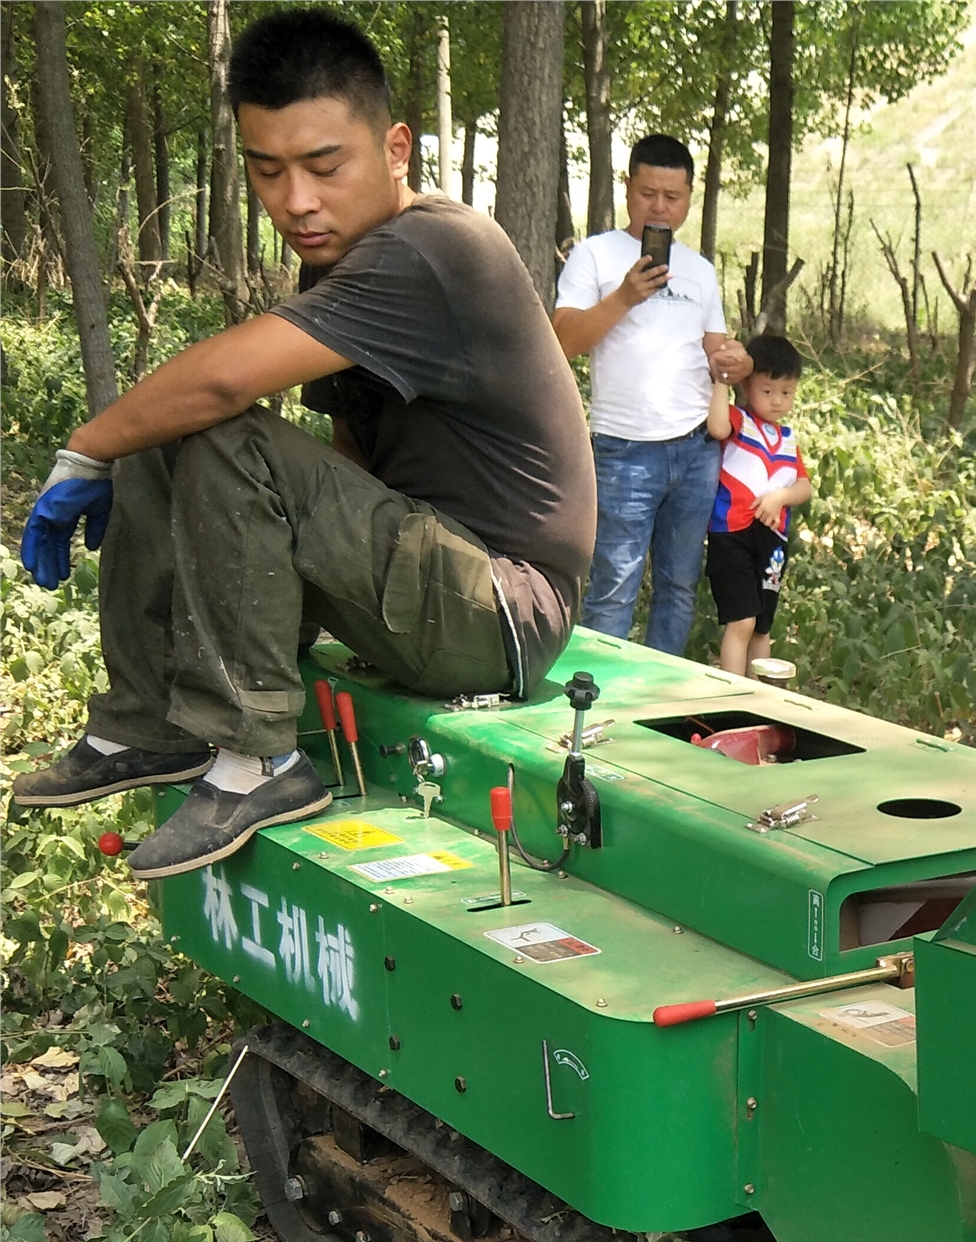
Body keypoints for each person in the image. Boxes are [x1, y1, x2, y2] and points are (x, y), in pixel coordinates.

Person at [11, 8, 594, 881]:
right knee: (165, 427)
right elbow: (348, 461)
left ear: (397, 148)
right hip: (427, 575)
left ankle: (259, 764)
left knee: (204, 420)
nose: (297, 201)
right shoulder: (342, 257)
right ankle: (148, 722)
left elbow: (222, 385)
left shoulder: (433, 249)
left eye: (325, 166)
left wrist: (88, 445)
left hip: (503, 610)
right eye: (266, 169)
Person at [553, 136, 751, 655]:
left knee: (679, 586)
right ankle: (597, 703)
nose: (659, 206)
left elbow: (716, 352)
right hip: (624, 450)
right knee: (613, 588)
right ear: (628, 188)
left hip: (695, 449)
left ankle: (659, 702)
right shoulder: (595, 255)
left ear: (689, 197)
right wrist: (624, 296)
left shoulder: (700, 270)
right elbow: (563, 340)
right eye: (647, 193)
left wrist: (739, 361)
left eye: (672, 196)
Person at [705, 336, 812, 680]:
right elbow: (717, 427)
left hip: (773, 540)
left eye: (786, 392)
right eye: (767, 391)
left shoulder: (788, 439)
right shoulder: (739, 421)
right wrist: (723, 381)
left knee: (762, 626)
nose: (777, 401)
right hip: (732, 535)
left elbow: (803, 486)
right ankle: (733, 695)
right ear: (748, 386)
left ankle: (760, 698)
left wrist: (779, 497)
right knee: (742, 620)